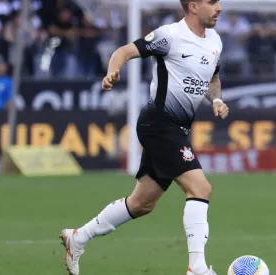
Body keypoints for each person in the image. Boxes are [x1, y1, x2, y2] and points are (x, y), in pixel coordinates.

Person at [59, 1, 227, 275]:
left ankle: (77, 238)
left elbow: (213, 78)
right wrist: (113, 71)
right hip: (158, 124)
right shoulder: (169, 36)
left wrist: (217, 99)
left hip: (177, 129)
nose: (219, 7)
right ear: (193, 6)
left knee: (142, 203)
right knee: (200, 188)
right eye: (212, 1)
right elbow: (124, 51)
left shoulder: (215, 41)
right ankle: (196, 267)